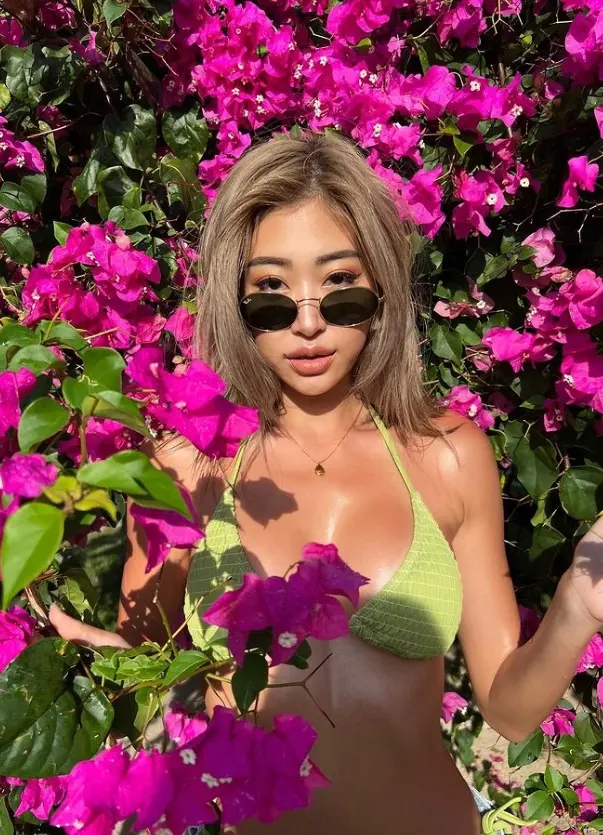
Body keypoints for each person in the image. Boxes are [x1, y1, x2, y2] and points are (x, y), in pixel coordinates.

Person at [50, 130, 603, 835]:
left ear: (379, 286)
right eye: (272, 291)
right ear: (236, 300)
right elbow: (145, 668)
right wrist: (64, 650)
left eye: (339, 285)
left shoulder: (448, 455)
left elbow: (509, 708)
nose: (308, 323)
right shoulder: (187, 468)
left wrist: (575, 606)